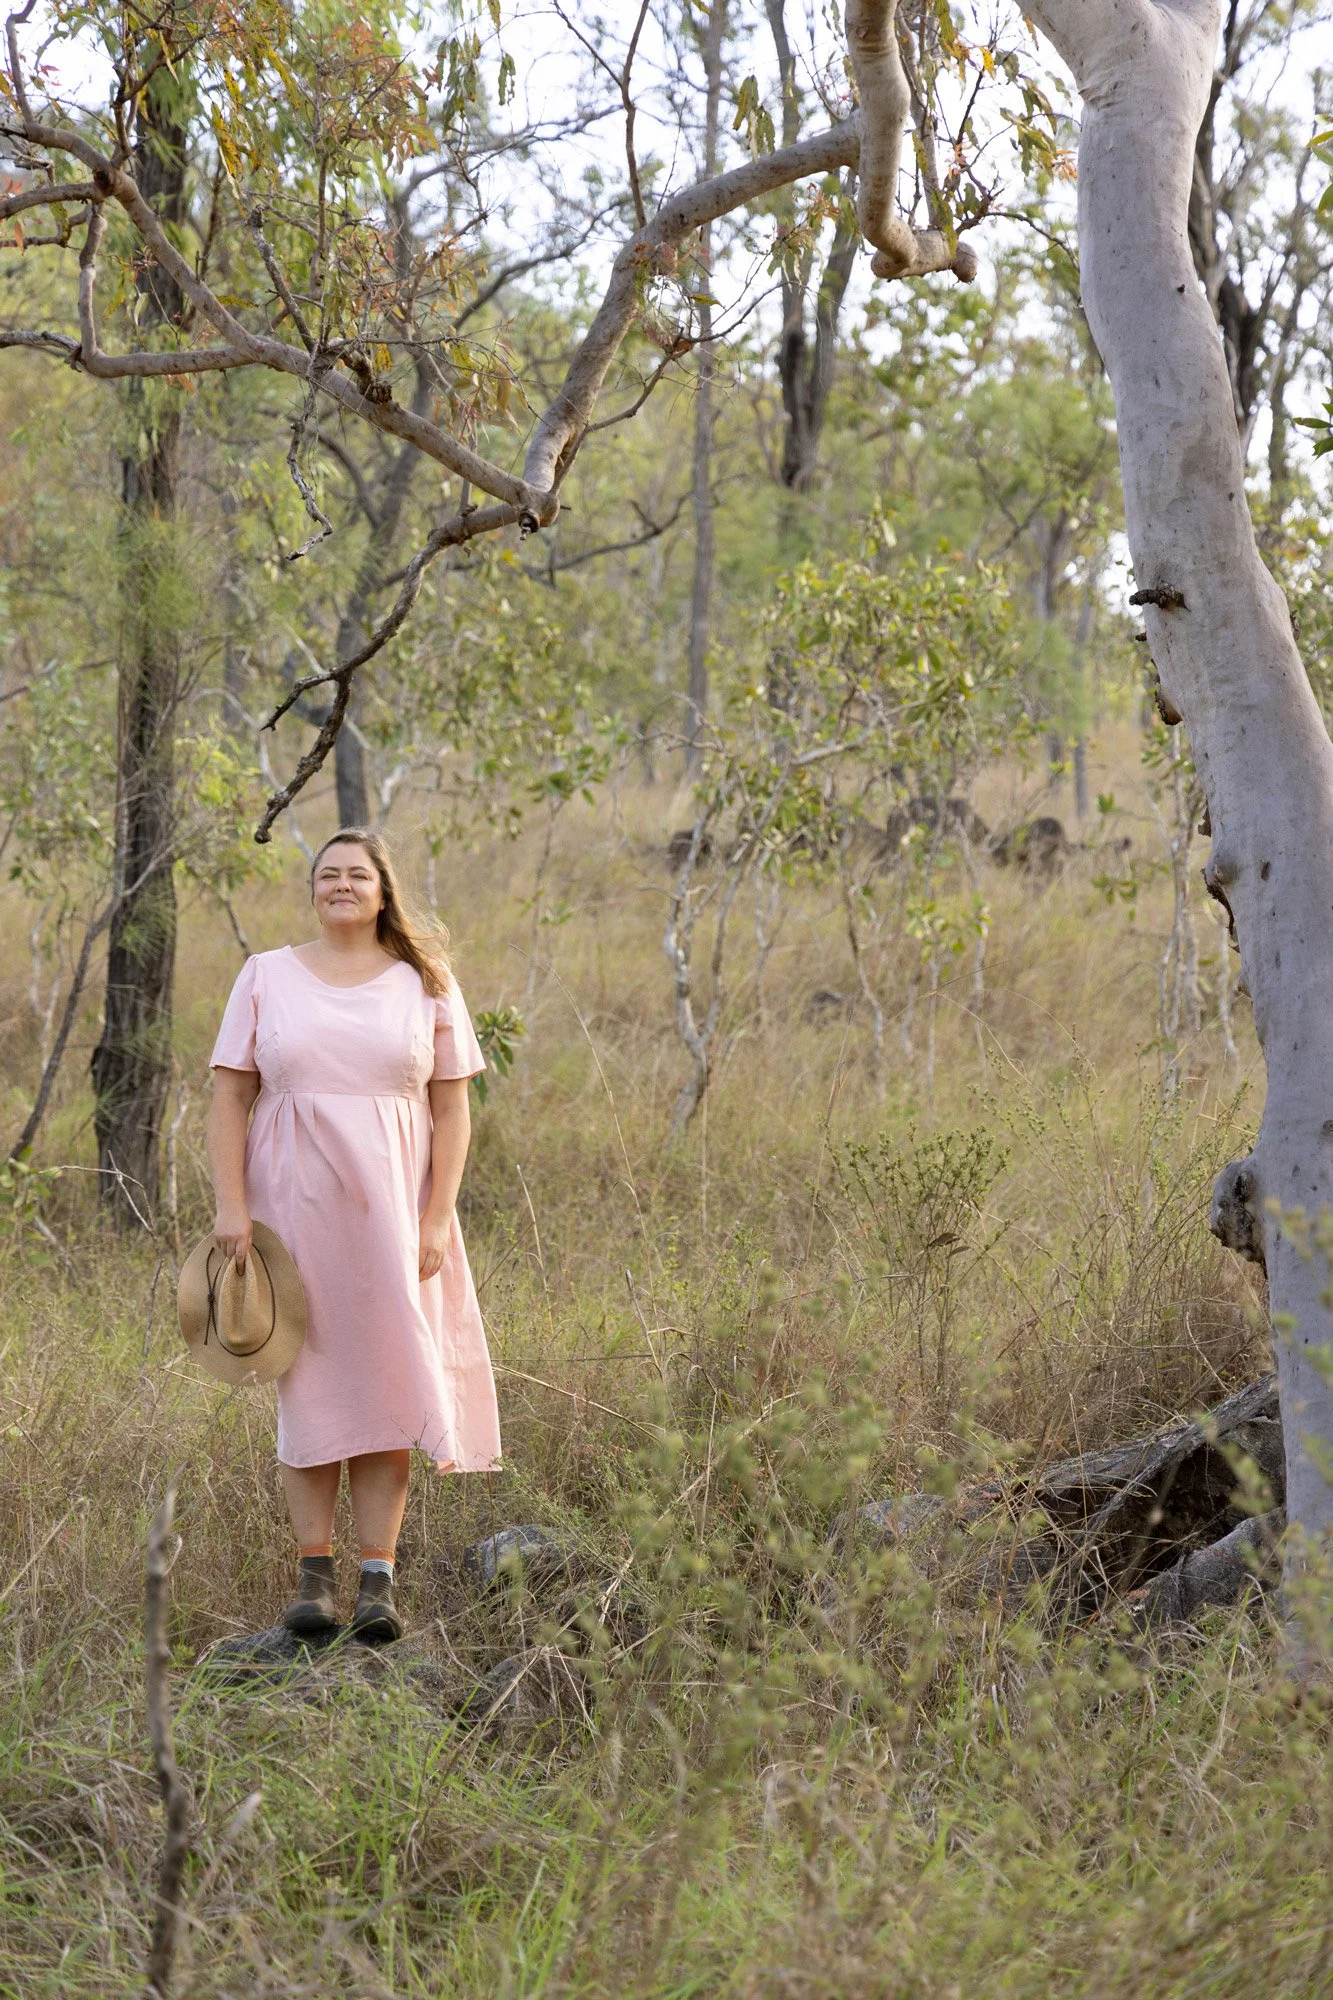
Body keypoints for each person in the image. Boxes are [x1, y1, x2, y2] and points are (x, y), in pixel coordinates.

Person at [205, 827, 501, 1641]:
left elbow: (451, 1107)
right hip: (291, 1210)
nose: (341, 885)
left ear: (382, 891)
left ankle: (378, 1581)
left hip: (393, 1212)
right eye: (328, 874)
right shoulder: (265, 975)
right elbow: (230, 1097)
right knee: (306, 1384)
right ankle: (313, 1580)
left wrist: (436, 1216)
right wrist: (231, 1207)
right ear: (314, 890)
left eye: (357, 874)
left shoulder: (425, 982)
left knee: (386, 1381)